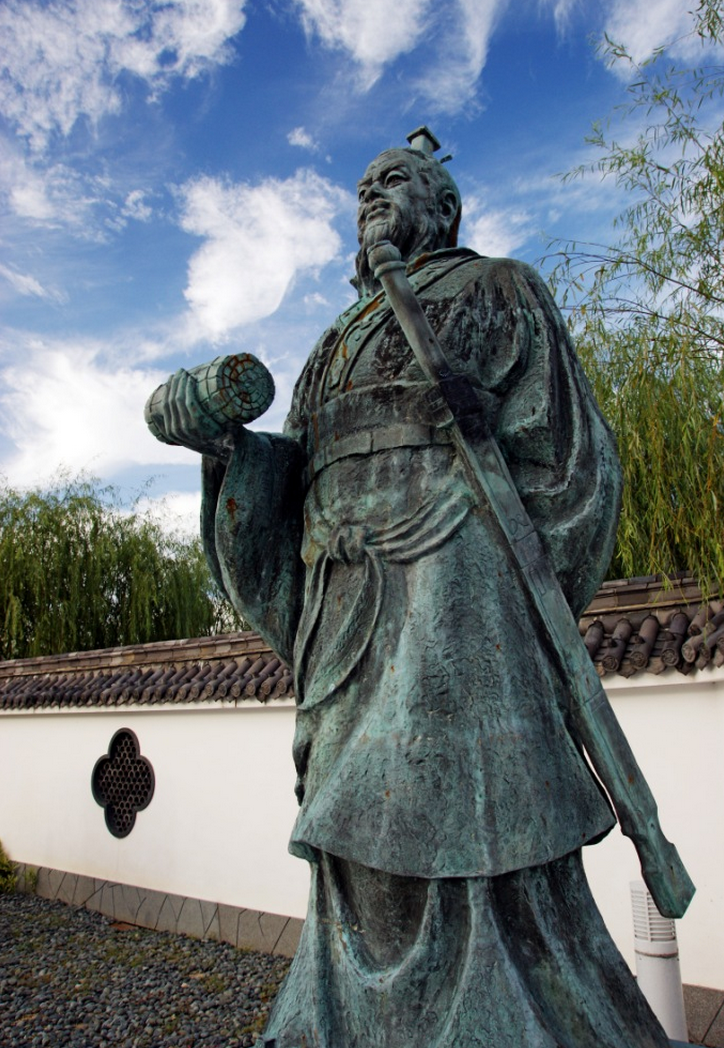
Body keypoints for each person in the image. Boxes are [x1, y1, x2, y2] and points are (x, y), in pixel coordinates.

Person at [149, 134, 670, 1048]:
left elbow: (568, 461)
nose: (371, 197)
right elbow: (298, 474)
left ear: (443, 206)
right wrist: (231, 451)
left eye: (392, 181)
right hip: (348, 602)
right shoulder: (334, 343)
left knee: (463, 821)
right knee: (357, 831)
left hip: (458, 595)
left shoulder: (499, 289)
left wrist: (499, 567)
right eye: (362, 188)